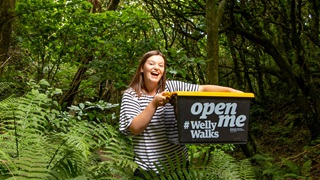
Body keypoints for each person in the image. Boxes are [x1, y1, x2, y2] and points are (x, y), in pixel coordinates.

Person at [119, 50, 242, 179]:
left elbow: (202, 89)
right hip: (148, 170)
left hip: (179, 168)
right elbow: (134, 128)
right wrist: (153, 104)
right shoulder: (131, 95)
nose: (156, 67)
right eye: (151, 64)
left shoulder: (172, 86)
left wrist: (232, 91)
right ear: (142, 68)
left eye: (161, 65)